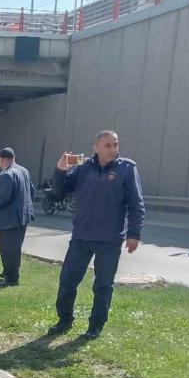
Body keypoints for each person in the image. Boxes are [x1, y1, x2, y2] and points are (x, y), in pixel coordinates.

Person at [48, 130, 144, 340]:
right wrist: (60, 170)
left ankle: (95, 326)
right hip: (81, 237)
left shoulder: (127, 168)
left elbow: (136, 204)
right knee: (67, 282)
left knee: (103, 286)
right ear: (96, 147)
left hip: (110, 240)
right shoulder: (83, 167)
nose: (113, 149)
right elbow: (58, 193)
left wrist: (134, 234)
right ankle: (64, 320)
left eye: (115, 144)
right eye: (108, 145)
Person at [0, 147, 35, 287]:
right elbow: (31, 190)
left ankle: (12, 279)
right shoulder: (24, 171)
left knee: (9, 250)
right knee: (14, 248)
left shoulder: (7, 174)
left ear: (2, 160)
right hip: (22, 216)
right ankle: (8, 271)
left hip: (10, 219)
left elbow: (4, 197)